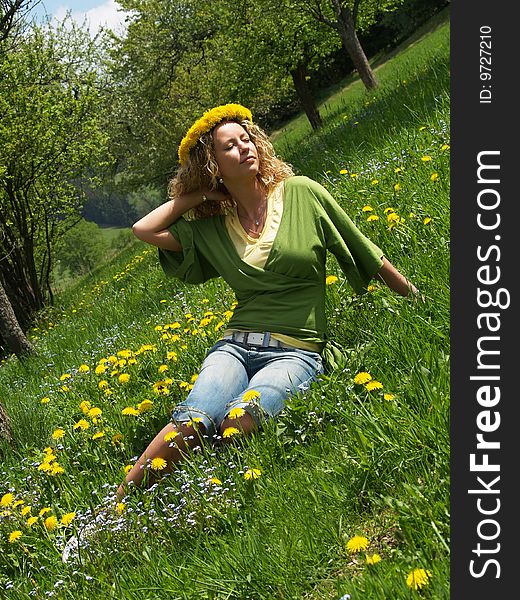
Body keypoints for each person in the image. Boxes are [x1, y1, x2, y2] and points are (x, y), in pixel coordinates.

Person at [62, 103, 418, 562]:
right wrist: (199, 197)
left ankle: (204, 490)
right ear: (214, 165)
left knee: (238, 421)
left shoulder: (304, 193)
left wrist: (415, 299)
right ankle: (110, 512)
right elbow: (143, 228)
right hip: (236, 346)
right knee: (191, 421)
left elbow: (365, 250)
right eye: (229, 146)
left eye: (246, 138)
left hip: (296, 350)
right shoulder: (210, 229)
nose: (244, 146)